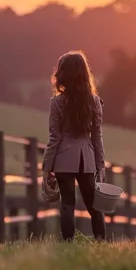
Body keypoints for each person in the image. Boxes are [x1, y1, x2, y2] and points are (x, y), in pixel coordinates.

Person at [41, 50, 106, 241]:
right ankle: (101, 242)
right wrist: (100, 165)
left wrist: (47, 167)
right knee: (94, 207)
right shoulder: (95, 102)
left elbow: (54, 137)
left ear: (62, 74)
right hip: (86, 159)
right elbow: (97, 136)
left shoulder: (57, 103)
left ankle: (68, 244)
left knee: (67, 204)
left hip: (63, 160)